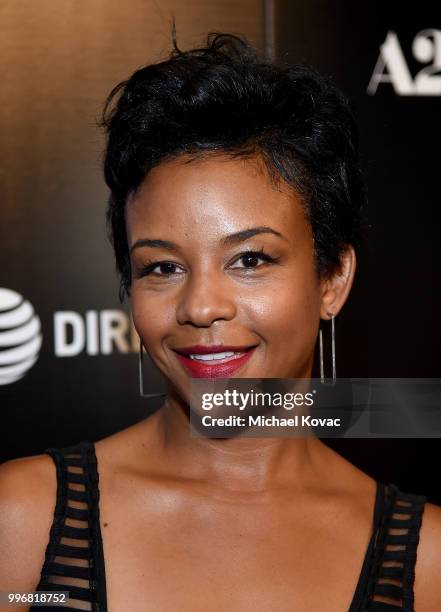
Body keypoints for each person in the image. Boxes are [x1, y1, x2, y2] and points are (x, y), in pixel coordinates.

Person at [1, 33, 441, 612]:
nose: (201, 306)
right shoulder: (24, 521)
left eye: (250, 259)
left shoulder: (427, 560)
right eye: (162, 266)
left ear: (332, 278)